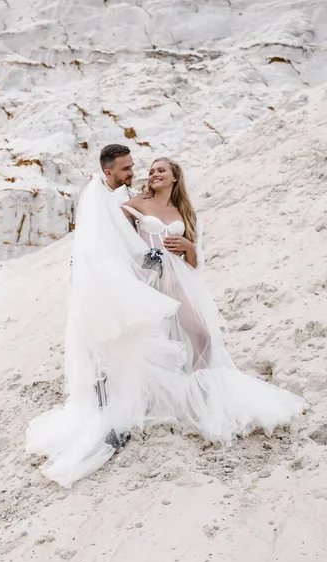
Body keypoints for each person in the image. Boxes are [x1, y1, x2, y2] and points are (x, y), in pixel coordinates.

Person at [26, 153, 304, 489]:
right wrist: (98, 186)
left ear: (175, 177)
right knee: (152, 345)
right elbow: (105, 230)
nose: (153, 174)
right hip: (149, 282)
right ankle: (151, 402)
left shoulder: (182, 211)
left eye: (161, 170)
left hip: (180, 280)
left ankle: (199, 396)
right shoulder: (137, 202)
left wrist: (188, 246)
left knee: (201, 335)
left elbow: (195, 260)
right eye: (151, 170)